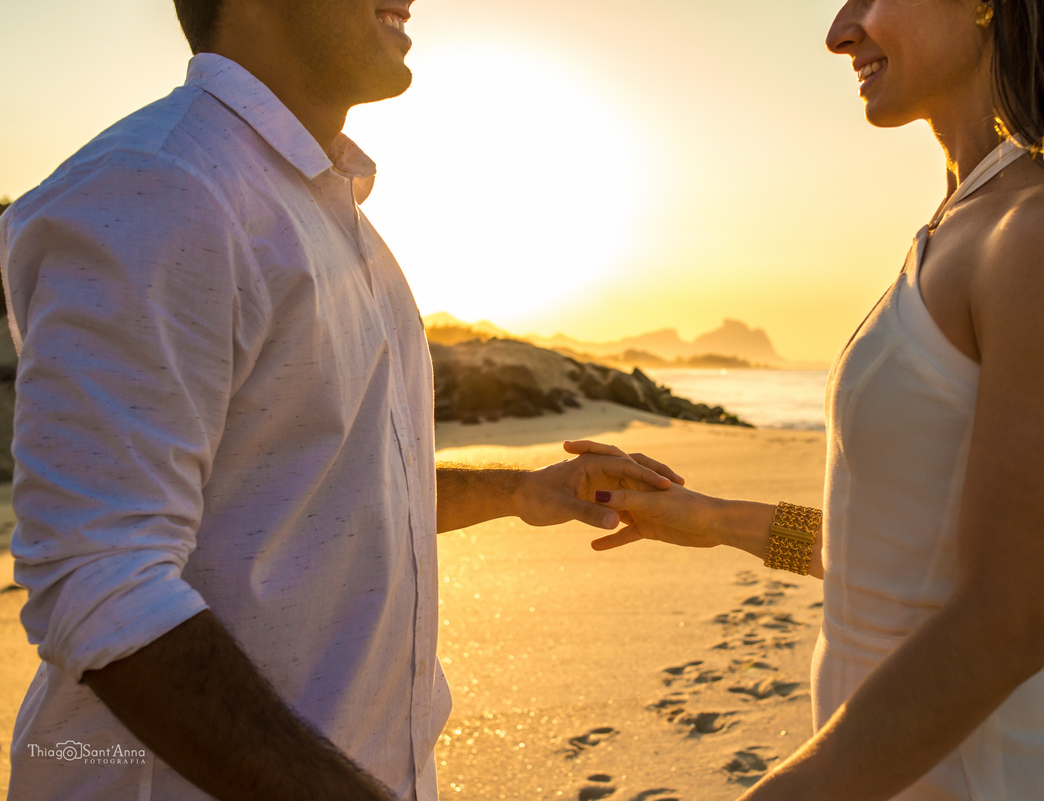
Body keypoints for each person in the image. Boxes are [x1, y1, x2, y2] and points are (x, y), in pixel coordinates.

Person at [0, 1, 682, 799]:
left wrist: (519, 489)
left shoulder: (336, 217)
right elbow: (99, 577)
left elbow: (329, 487)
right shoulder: (161, 184)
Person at [574, 0, 1044, 799]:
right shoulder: (958, 225)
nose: (839, 31)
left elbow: (1005, 627)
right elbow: (899, 556)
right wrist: (709, 518)